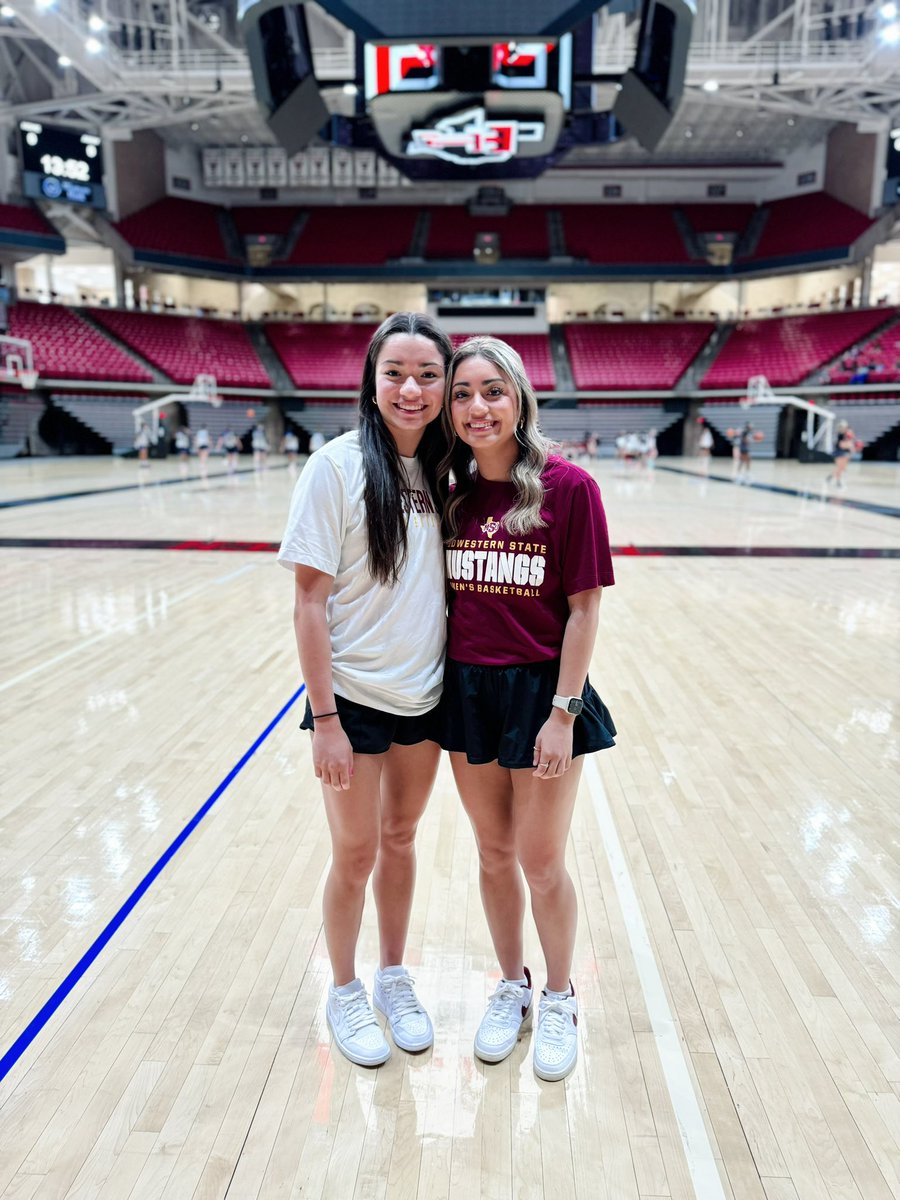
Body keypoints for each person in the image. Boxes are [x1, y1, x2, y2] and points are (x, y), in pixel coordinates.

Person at [437, 336, 616, 1082]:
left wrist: (564, 712)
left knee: (542, 861)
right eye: (464, 395)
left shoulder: (570, 489)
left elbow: (584, 610)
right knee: (492, 854)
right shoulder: (446, 492)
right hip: (469, 690)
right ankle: (509, 985)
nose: (478, 407)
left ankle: (561, 995)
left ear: (520, 399)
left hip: (544, 694)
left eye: (493, 391)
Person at [278, 312, 453, 1068]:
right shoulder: (336, 466)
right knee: (354, 852)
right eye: (395, 374)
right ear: (371, 381)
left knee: (402, 839)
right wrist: (324, 719)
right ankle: (343, 987)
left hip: (426, 695)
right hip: (350, 700)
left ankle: (392, 975)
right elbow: (309, 602)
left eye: (426, 375)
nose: (411, 389)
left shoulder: (451, 473)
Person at [826, 419, 857, 489]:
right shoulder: (840, 435)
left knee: (842, 468)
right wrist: (849, 445)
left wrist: (851, 448)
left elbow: (850, 443)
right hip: (839, 453)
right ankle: (838, 481)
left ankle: (831, 477)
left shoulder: (848, 434)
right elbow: (841, 445)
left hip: (845, 453)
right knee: (839, 468)